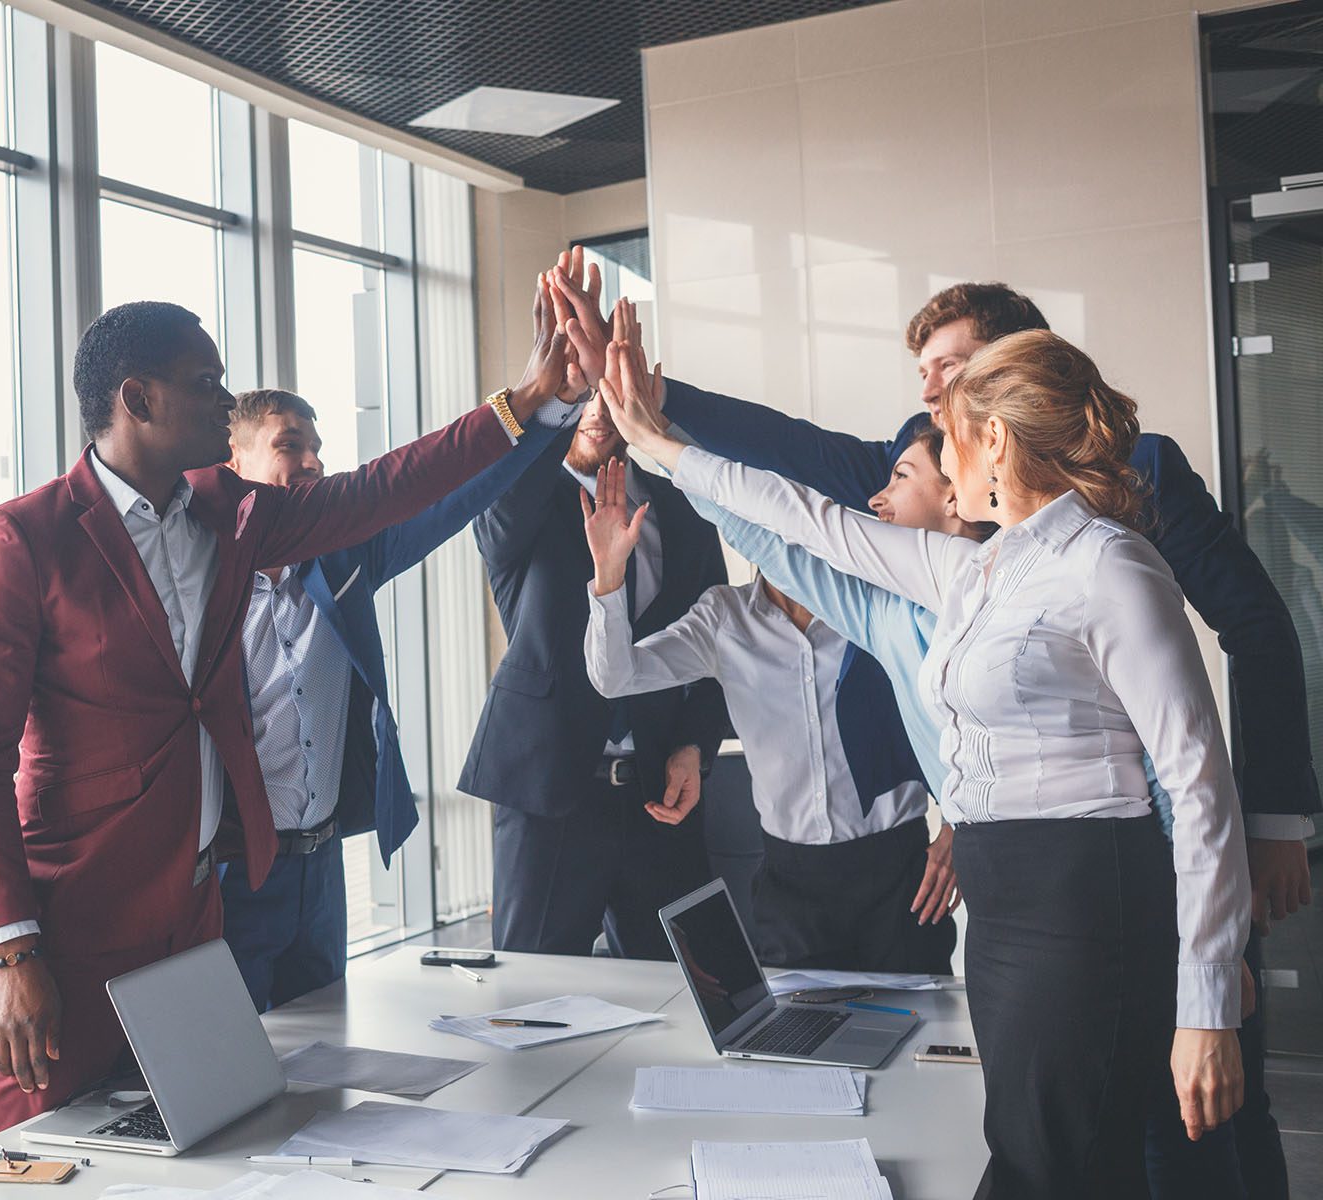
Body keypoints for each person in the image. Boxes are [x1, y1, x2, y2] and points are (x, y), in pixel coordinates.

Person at [553, 269, 1311, 1199]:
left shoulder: (1112, 563)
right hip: (1003, 914)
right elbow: (804, 516)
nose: (921, 449)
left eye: (939, 435)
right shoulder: (970, 572)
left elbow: (1190, 782)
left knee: (1092, 1162)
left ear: (993, 434)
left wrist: (1207, 992)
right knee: (1057, 1159)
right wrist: (655, 436)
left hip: (1086, 898)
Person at [0, 298, 572, 1136]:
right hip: (77, 922)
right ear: (137, 399)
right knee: (44, 1159)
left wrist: (523, 404)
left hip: (200, 918)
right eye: (206, 384)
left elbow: (385, 489)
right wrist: (9, 950)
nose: (223, 399)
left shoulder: (231, 517)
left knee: (210, 1144)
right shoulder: (21, 542)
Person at [218, 278, 579, 1011]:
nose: (314, 462)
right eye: (291, 446)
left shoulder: (345, 557)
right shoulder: (197, 583)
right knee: (236, 1078)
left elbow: (454, 495)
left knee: (323, 1066)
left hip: (319, 873)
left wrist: (553, 410)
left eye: (319, 448)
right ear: (233, 465)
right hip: (228, 878)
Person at [580, 450, 950, 974]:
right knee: (799, 1047)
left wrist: (960, 826)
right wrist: (609, 575)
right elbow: (616, 676)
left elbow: (950, 706)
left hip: (899, 874)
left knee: (921, 1041)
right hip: (791, 882)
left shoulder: (877, 603)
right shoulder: (723, 619)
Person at [460, 297, 729, 960]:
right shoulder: (521, 501)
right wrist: (559, 390)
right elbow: (495, 509)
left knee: (687, 993)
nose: (597, 411)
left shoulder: (683, 509)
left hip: (659, 794)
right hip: (548, 788)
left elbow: (720, 644)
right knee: (532, 997)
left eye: (608, 391)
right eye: (584, 393)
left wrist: (696, 747)